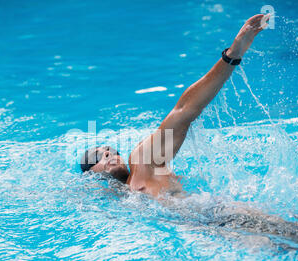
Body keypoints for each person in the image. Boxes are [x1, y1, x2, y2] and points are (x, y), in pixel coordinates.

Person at [81, 14, 268, 198]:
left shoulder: (143, 162)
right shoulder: (124, 197)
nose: (107, 154)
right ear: (89, 175)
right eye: (97, 157)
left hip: (217, 218)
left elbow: (183, 112)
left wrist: (231, 56)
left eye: (111, 151)